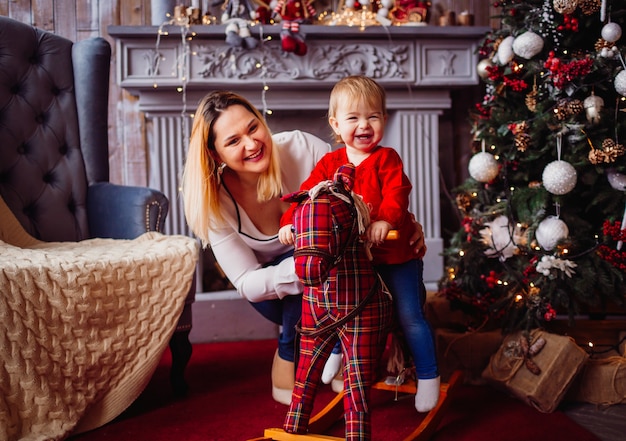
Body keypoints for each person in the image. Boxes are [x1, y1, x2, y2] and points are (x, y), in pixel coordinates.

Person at [181, 90, 426, 406]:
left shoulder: (303, 148)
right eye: (233, 141)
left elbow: (369, 191)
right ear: (216, 155)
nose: (252, 144)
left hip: (334, 262)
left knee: (342, 271)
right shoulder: (213, 201)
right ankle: (290, 345)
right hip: (277, 287)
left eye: (253, 128)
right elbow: (248, 283)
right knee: (312, 273)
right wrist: (314, 263)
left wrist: (404, 224)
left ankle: (328, 350)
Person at [279, 75, 440, 413]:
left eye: (373, 116)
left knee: (408, 314)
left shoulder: (387, 158)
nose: (364, 125)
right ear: (336, 124)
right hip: (355, 259)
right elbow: (308, 197)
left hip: (394, 255)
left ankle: (428, 376)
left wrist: (384, 221)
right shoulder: (329, 163)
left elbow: (398, 194)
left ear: (383, 119)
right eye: (353, 118)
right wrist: (290, 223)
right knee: (345, 308)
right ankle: (338, 352)